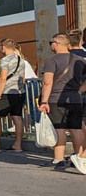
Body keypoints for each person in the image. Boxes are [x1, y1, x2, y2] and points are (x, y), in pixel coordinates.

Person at [38, 33, 86, 173]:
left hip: (55, 98)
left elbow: (47, 82)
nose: (50, 45)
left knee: (60, 128)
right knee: (76, 128)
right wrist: (80, 90)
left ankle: (59, 159)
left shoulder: (52, 61)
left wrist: (44, 101)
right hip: (75, 99)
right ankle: (79, 157)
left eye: (51, 42)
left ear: (57, 43)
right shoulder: (80, 60)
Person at [0, 39, 28, 152]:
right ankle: (18, 144)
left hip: (6, 91)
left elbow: (3, 78)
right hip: (19, 91)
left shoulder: (5, 60)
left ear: (3, 47)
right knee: (17, 117)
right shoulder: (21, 59)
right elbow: (23, 77)